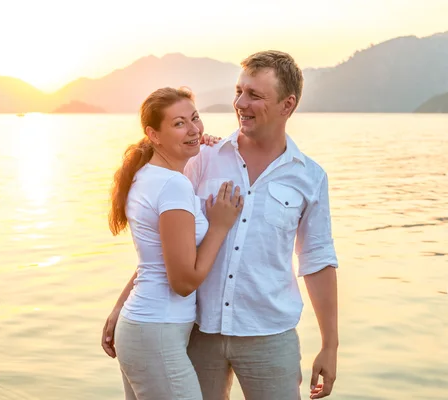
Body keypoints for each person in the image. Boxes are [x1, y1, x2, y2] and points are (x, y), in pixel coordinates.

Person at [102, 51, 339, 400]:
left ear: (287, 105)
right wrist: (122, 304)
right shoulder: (202, 158)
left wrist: (330, 345)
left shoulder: (309, 177)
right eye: (239, 91)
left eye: (254, 95)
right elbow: (167, 246)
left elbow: (317, 260)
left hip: (269, 336)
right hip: (199, 332)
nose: (240, 103)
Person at [105, 86, 244, 400]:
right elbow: (183, 281)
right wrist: (220, 227)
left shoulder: (146, 175)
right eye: (179, 123)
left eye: (195, 118)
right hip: (156, 332)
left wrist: (197, 143)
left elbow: (152, 261)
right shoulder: (173, 185)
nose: (194, 129)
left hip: (144, 328)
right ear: (154, 135)